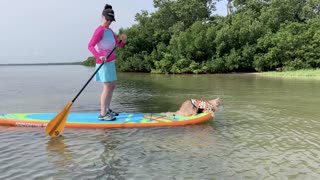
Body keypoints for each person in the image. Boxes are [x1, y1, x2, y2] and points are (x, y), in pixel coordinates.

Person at [88, 4, 127, 121]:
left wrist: (123, 41)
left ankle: (108, 109)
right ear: (102, 17)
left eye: (111, 20)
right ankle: (103, 114)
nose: (109, 22)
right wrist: (99, 56)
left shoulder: (110, 31)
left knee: (112, 85)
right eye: (107, 19)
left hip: (111, 62)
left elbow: (117, 45)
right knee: (107, 86)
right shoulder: (99, 31)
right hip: (103, 63)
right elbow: (90, 46)